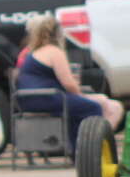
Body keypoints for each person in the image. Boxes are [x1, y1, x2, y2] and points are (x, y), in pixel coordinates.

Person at [16, 13, 124, 146]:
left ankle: (81, 148)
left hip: (30, 98)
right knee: (92, 107)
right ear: (57, 33)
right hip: (45, 98)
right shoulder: (54, 51)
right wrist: (81, 96)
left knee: (87, 105)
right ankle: (90, 147)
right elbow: (69, 84)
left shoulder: (34, 52)